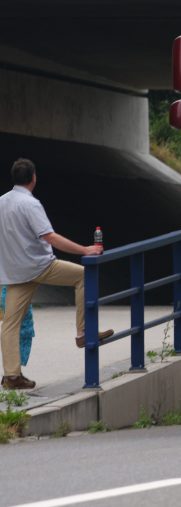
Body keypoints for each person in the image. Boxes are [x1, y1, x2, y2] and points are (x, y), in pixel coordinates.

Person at [0, 158, 111, 390]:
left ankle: (11, 376)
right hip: (40, 266)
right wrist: (85, 249)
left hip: (15, 273)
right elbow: (49, 236)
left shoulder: (2, 203)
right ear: (33, 178)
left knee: (10, 324)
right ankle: (83, 331)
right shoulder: (30, 204)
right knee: (83, 275)